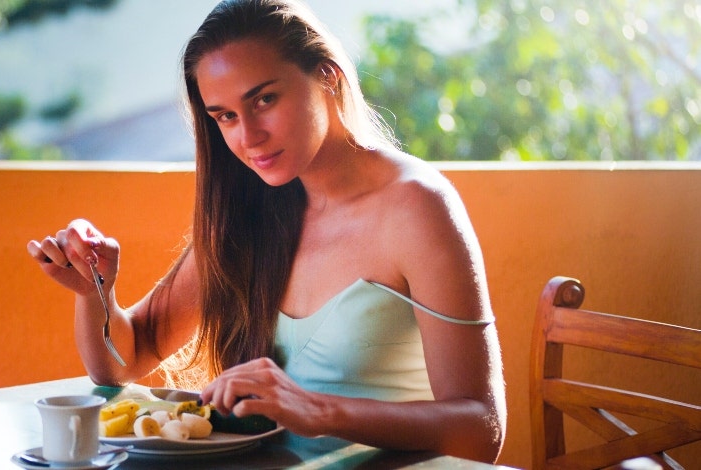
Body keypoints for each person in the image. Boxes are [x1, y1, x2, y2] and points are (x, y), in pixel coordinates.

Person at [27, 0, 506, 462]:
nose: (248, 136)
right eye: (226, 117)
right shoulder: (249, 210)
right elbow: (125, 360)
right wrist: (95, 292)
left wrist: (318, 410)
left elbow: (482, 430)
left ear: (327, 76)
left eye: (265, 99)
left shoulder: (417, 207)